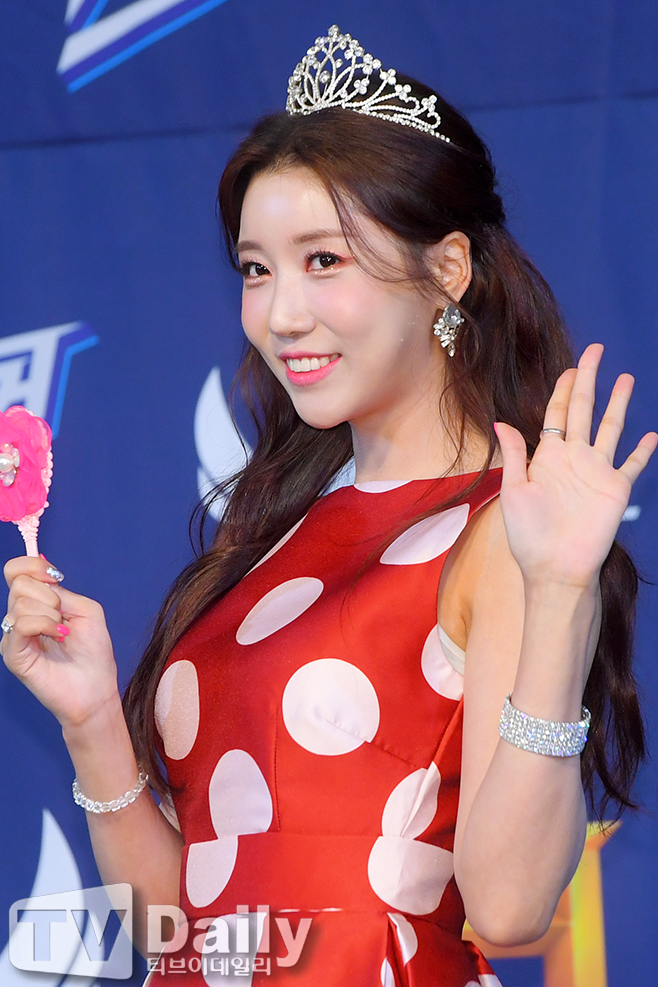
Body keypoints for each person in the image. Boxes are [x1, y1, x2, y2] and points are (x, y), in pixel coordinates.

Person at [2, 24, 656, 987]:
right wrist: (93, 719)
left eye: (323, 261)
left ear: (447, 270)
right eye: (255, 268)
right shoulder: (273, 535)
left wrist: (559, 592)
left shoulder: (506, 532)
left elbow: (511, 911)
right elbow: (185, 933)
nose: (280, 314)